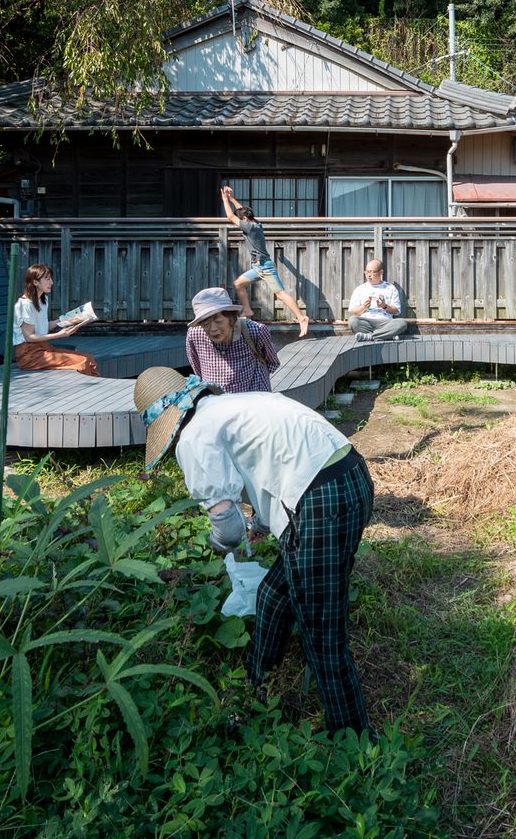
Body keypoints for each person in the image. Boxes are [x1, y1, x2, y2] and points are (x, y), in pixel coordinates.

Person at [133, 366, 374, 735]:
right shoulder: (234, 406)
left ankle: (354, 742)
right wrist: (261, 526)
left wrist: (220, 545)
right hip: (352, 477)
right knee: (273, 595)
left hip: (321, 501)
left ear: (169, 424)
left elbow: (227, 527)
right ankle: (256, 693)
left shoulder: (194, 438)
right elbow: (273, 466)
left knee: (321, 633)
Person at [221, 185, 310, 338]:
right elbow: (242, 211)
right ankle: (247, 310)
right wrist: (232, 199)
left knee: (280, 294)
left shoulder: (250, 227)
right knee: (238, 284)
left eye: (241, 219)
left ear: (244, 220)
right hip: (257, 267)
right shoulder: (257, 224)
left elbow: (231, 217)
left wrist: (224, 200)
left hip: (265, 267)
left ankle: (302, 318)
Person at [185, 286, 280, 393]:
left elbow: (272, 362)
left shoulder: (255, 331)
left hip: (253, 399)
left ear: (231, 318)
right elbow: (198, 370)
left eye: (219, 322)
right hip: (217, 402)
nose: (213, 329)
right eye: (206, 324)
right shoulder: (195, 335)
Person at [12, 261, 99, 374]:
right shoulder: (24, 305)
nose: (52, 282)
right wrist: (59, 335)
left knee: (89, 358)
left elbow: (43, 327)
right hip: (29, 355)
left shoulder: (43, 300)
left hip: (44, 347)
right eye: (47, 279)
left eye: (51, 278)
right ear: (35, 282)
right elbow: (29, 337)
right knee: (82, 362)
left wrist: (71, 319)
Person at [345, 259, 408, 341]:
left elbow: (396, 311)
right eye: (367, 272)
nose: (369, 275)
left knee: (402, 323)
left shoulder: (390, 288)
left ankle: (370, 337)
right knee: (352, 321)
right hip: (367, 322)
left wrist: (384, 306)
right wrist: (364, 307)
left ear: (381, 272)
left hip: (385, 322)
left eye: (372, 272)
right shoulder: (360, 289)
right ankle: (386, 335)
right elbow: (354, 312)